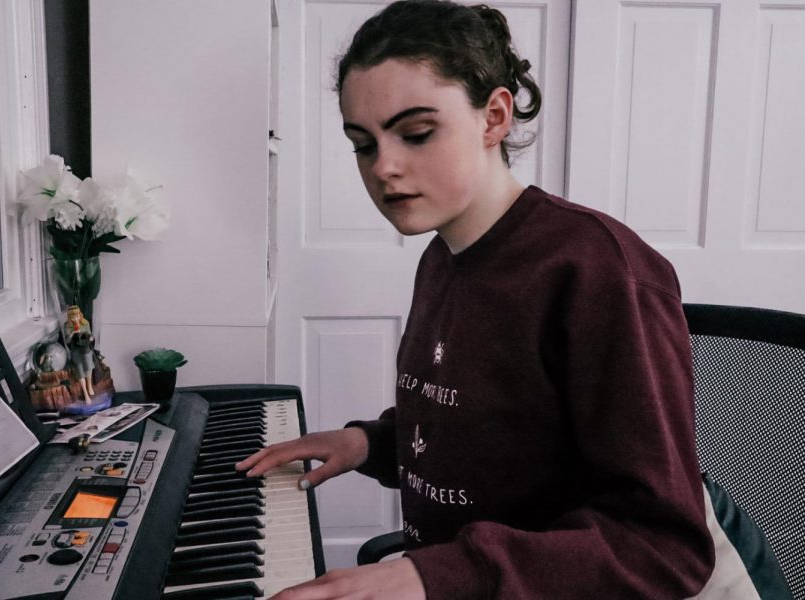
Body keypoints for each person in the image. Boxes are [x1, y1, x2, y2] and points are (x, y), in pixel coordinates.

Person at [238, 1, 717, 597]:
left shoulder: (597, 271)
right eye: (363, 144)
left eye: (416, 133)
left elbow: (663, 547)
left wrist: (426, 575)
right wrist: (368, 443)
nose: (383, 167)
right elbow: (485, 430)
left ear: (494, 117)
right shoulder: (442, 257)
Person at [64, 304, 95, 402]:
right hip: (76, 350)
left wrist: (90, 337)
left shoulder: (85, 323)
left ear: (80, 315)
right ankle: (85, 393)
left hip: (85, 349)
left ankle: (89, 386)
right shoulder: (67, 326)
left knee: (88, 367)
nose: (75, 318)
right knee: (80, 370)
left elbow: (90, 335)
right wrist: (73, 333)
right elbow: (67, 341)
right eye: (72, 317)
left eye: (76, 316)